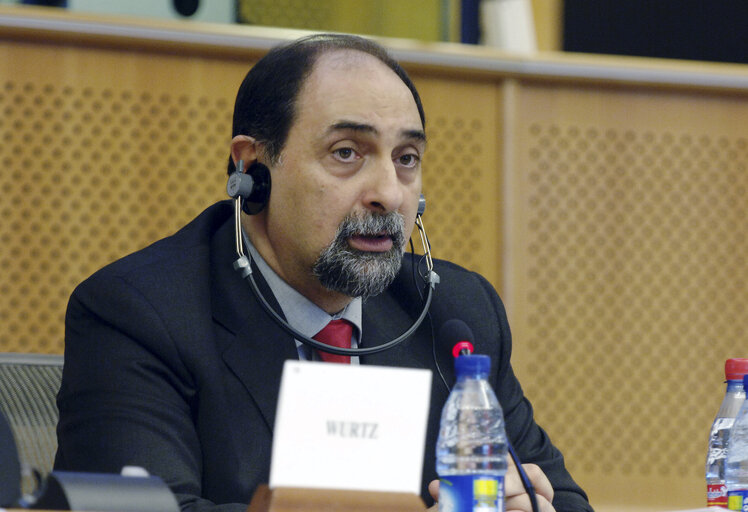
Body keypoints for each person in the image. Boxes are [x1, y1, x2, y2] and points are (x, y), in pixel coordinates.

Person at [54, 34, 593, 512]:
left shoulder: (454, 311)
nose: (388, 193)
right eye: (346, 152)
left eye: (406, 158)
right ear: (251, 168)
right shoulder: (140, 312)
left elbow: (562, 497)